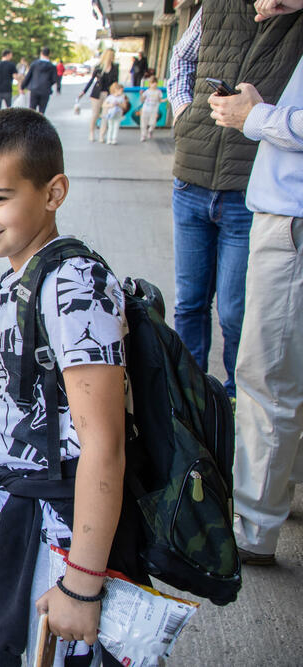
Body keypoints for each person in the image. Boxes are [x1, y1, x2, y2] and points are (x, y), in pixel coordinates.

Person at [0, 108, 129, 667]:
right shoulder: (17, 276)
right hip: (19, 510)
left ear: (53, 192)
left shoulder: (73, 283)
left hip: (65, 531)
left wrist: (82, 582)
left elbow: (104, 443)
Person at [206, 0, 303, 567]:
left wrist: (256, 117)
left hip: (290, 220)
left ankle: (254, 526)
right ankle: (277, 493)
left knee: (265, 374)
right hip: (282, 214)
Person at [166, 1, 303, 399]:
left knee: (235, 311)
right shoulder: (216, 6)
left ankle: (233, 398)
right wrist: (182, 115)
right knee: (189, 302)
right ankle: (189, 398)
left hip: (250, 191)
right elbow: (181, 58)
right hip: (191, 180)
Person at [78, 49, 118, 142]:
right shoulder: (98, 67)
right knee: (95, 114)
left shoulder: (115, 68)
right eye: (112, 55)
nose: (113, 57)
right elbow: (91, 80)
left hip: (108, 95)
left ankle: (101, 135)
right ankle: (91, 133)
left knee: (105, 116)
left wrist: (117, 95)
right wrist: (83, 92)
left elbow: (115, 82)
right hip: (97, 94)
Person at [20, 47, 60, 114]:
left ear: (41, 53)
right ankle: (40, 123)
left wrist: (22, 87)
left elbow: (28, 76)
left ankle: (32, 123)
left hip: (34, 89)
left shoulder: (34, 64)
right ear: (49, 54)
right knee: (42, 111)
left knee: (32, 110)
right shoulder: (52, 66)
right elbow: (54, 79)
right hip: (45, 90)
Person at [139, 74, 164, 141]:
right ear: (150, 84)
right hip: (146, 109)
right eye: (153, 83)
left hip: (154, 110)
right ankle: (143, 135)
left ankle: (150, 131)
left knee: (153, 123)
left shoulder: (159, 92)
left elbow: (160, 100)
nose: (154, 84)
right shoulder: (147, 91)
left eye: (155, 82)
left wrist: (166, 99)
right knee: (144, 123)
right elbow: (142, 100)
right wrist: (141, 95)